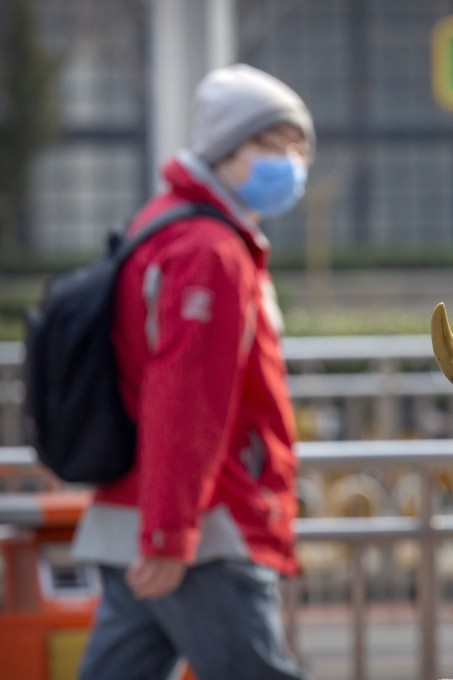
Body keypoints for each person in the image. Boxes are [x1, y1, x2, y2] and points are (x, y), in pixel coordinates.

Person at [73, 63, 314, 680]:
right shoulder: (210, 251)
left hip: (151, 510)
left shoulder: (163, 225)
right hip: (208, 525)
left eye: (296, 146)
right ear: (224, 148)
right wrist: (170, 534)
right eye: (269, 144)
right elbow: (186, 401)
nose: (288, 161)